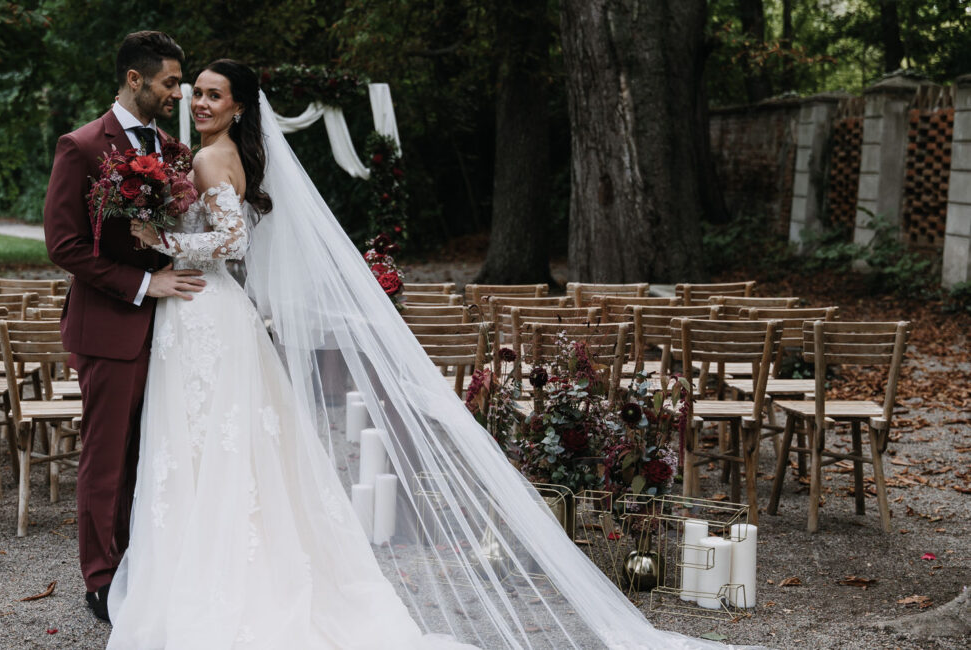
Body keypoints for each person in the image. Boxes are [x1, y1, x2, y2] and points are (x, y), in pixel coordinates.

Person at [107, 59, 727, 649]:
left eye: (215, 94)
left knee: (214, 444)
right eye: (197, 92)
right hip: (196, 316)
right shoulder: (207, 155)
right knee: (210, 447)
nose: (201, 101)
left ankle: (219, 584)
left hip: (205, 312)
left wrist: (156, 237)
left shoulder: (216, 157)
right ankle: (214, 571)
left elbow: (231, 241)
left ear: (240, 106)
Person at [42, 30, 205, 623]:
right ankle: (102, 580)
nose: (177, 94)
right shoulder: (82, 147)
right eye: (169, 82)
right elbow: (62, 244)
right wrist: (143, 285)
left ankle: (147, 562)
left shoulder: (173, 151)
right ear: (135, 79)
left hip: (170, 333)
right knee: (107, 460)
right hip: (109, 329)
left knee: (154, 454)